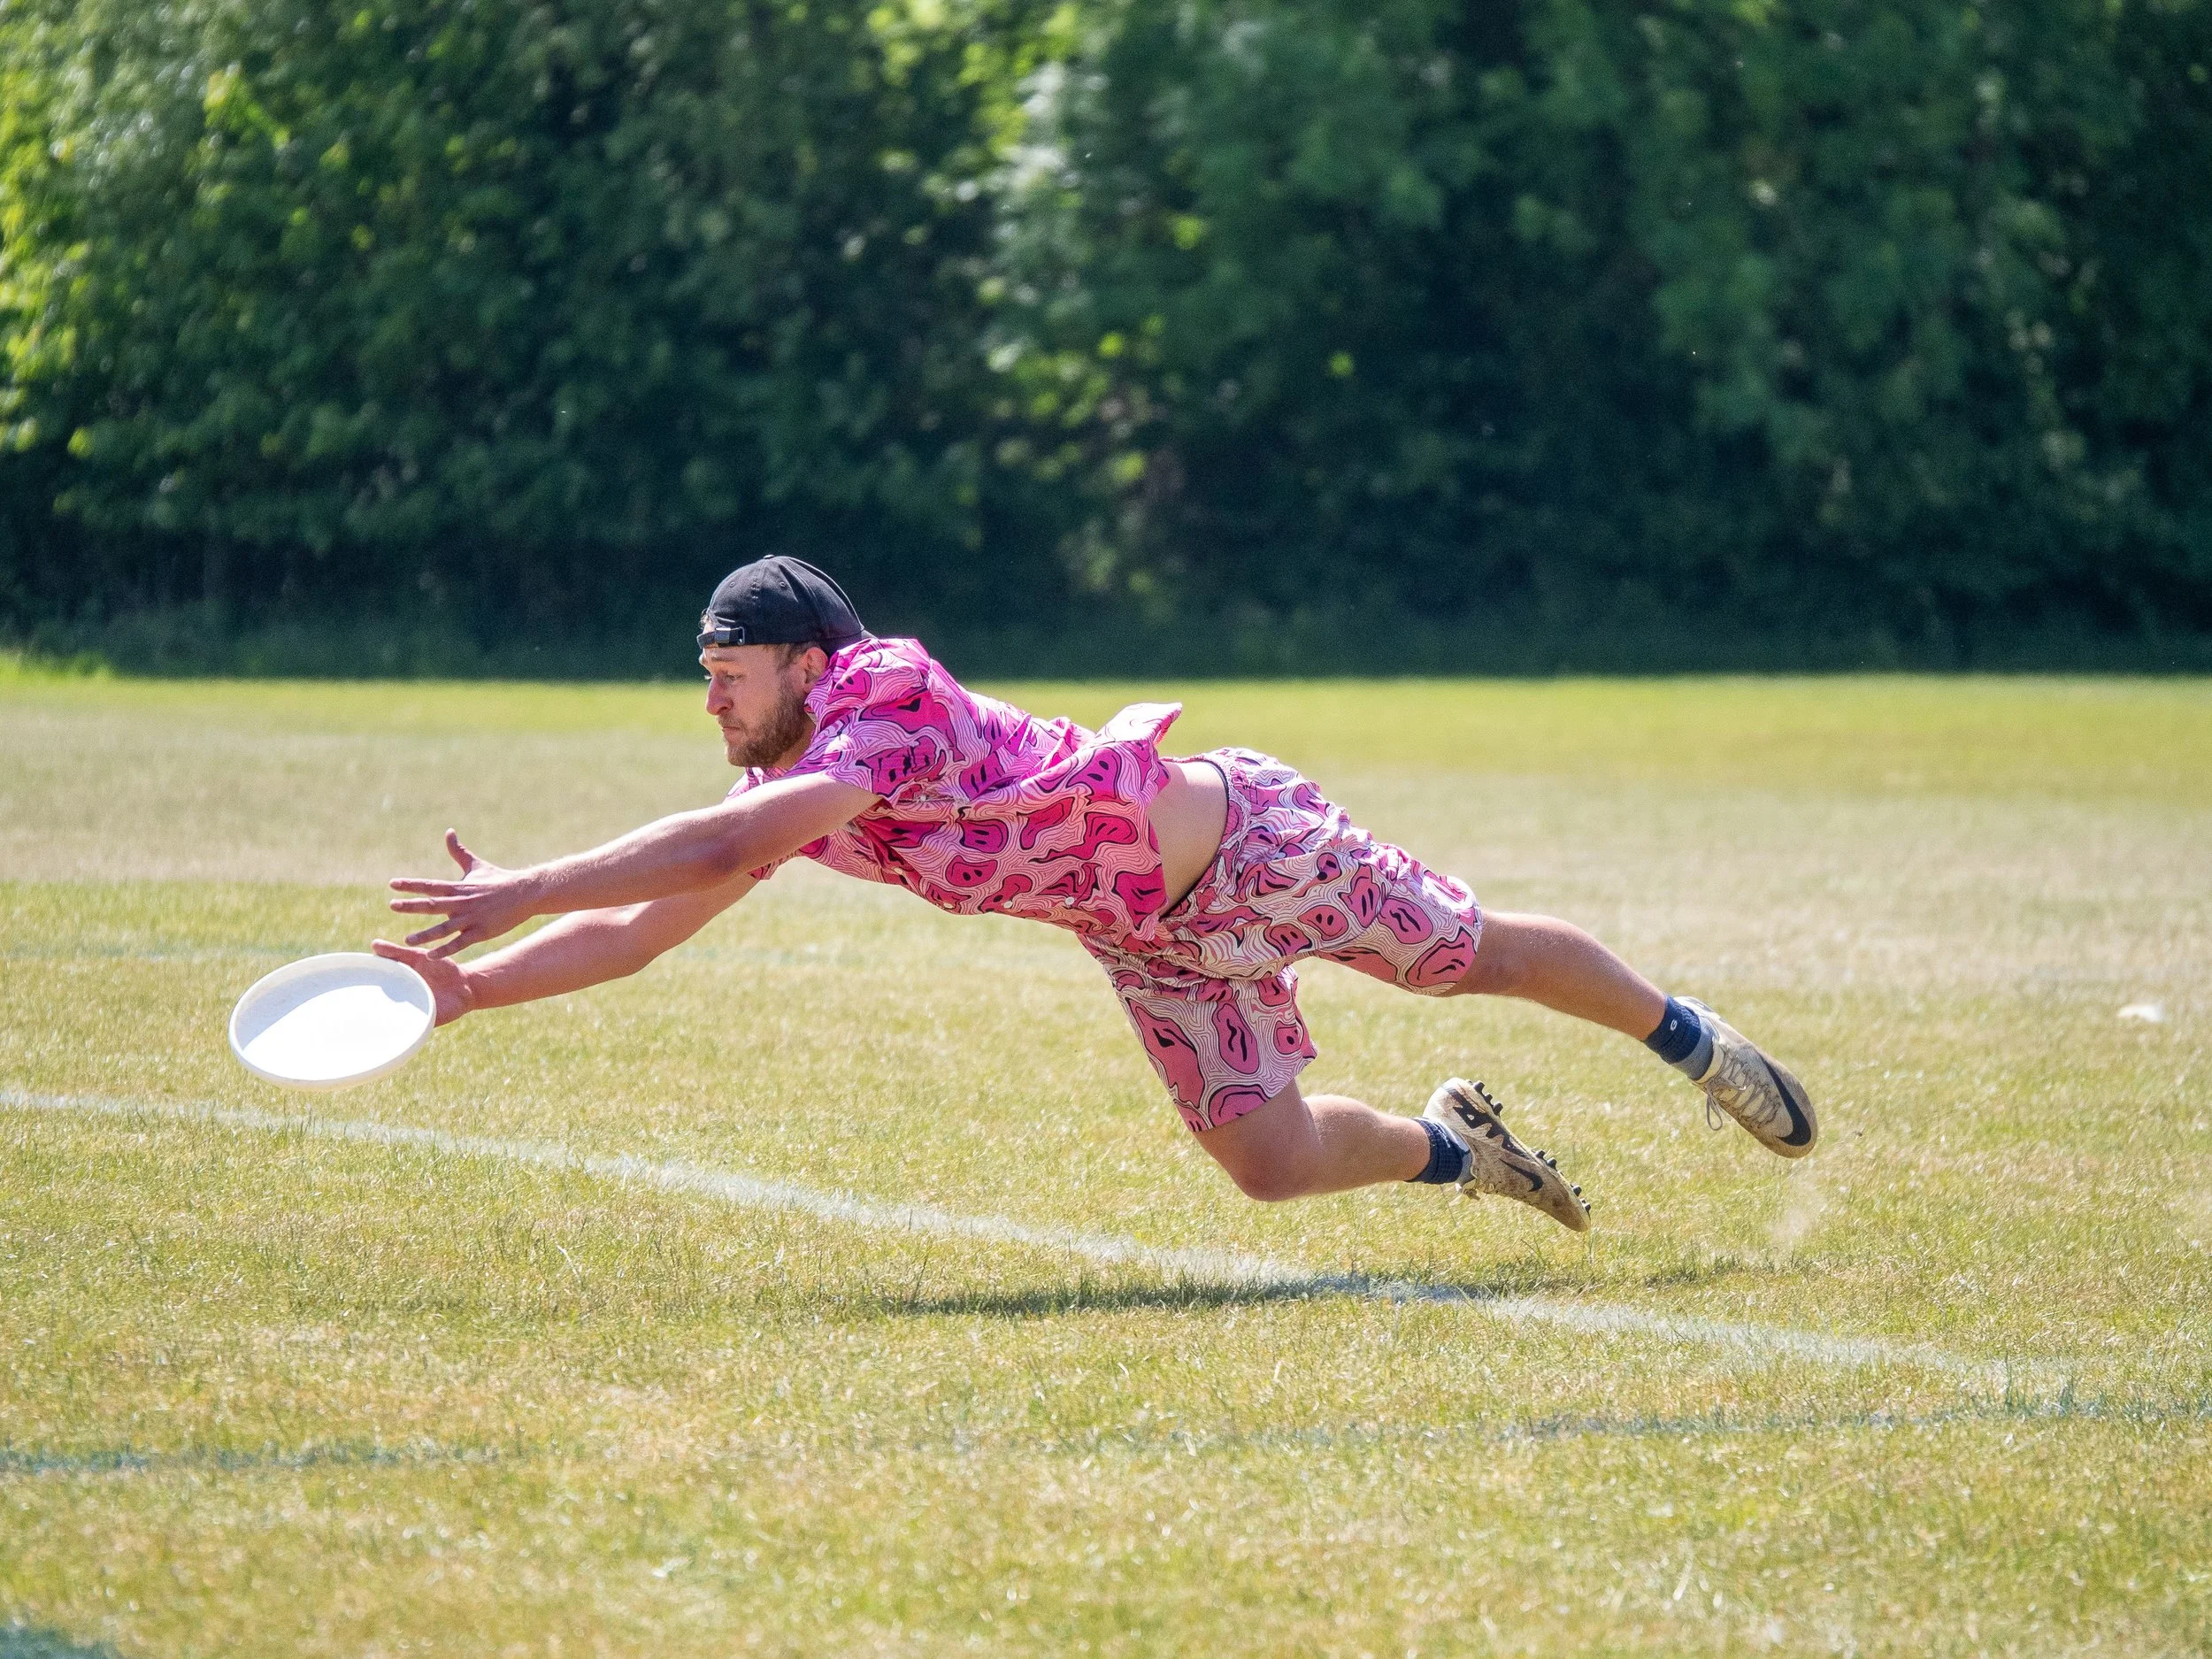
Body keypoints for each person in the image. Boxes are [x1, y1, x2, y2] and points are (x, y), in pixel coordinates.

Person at [378, 556, 1816, 1233]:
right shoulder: (793, 797)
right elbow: (650, 924)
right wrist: (471, 987)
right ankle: (1463, 1151)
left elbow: (691, 857)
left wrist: (521, 887)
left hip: (1237, 840)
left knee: (1472, 957)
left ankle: (1693, 1043)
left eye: (727, 677)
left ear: (806, 667)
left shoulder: (883, 694)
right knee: (1268, 1161)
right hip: (1144, 933)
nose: (712, 703)